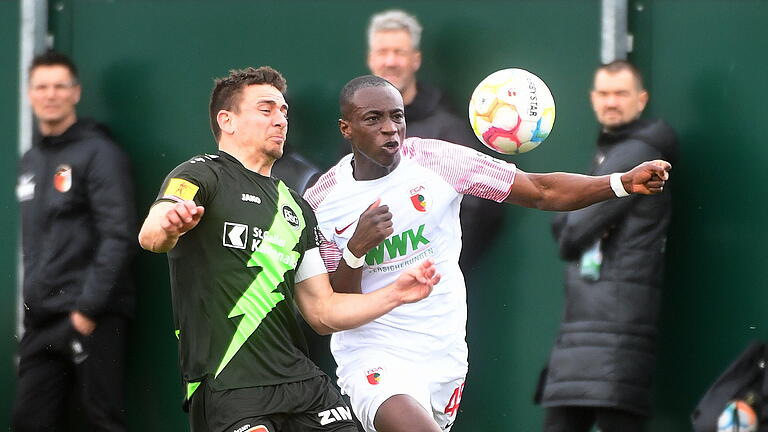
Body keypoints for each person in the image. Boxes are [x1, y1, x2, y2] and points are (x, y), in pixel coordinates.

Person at [303, 74, 671, 432]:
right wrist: (356, 249)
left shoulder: (437, 160)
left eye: (397, 116)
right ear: (346, 128)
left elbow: (541, 190)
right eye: (373, 118)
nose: (390, 128)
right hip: (373, 354)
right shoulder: (323, 201)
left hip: (441, 351)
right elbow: (335, 306)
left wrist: (620, 182)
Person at [137, 66, 441, 432]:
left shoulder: (296, 206)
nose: (280, 120)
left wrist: (396, 294)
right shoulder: (201, 174)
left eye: (283, 111)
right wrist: (170, 224)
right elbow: (151, 235)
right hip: (229, 388)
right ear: (227, 121)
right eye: (266, 110)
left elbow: (322, 311)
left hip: (302, 384)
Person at [536, 60, 679, 432]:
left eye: (621, 93)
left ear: (641, 99)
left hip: (617, 329)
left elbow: (570, 232)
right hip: (589, 328)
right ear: (592, 98)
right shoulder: (612, 150)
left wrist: (571, 221)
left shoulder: (634, 153)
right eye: (603, 93)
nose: (611, 102)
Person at [12, 50, 137, 431]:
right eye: (41, 87)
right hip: (43, 321)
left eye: (59, 86)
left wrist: (86, 312)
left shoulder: (100, 153)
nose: (50, 94)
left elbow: (119, 235)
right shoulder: (31, 161)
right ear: (30, 94)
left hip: (92, 316)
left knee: (100, 420)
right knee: (29, 421)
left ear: (75, 93)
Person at [363, 9, 505, 271]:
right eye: (383, 52)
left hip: (431, 280)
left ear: (416, 60)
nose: (391, 61)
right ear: (371, 59)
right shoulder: (357, 130)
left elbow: (478, 204)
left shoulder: (447, 127)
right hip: (373, 283)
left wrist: (440, 265)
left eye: (400, 52)